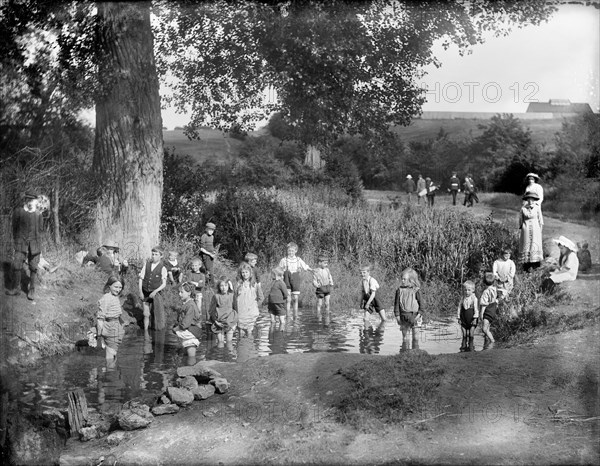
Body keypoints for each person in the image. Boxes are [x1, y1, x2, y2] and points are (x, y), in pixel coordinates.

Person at [5, 192, 44, 300]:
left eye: (33, 201)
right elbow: (14, 228)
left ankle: (31, 290)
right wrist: (17, 240)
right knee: (17, 265)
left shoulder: (38, 214)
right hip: (20, 243)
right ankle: (16, 289)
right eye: (29, 200)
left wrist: (37, 244)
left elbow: (40, 231)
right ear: (25, 201)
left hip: (35, 245)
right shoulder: (18, 212)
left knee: (33, 267)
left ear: (36, 202)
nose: (31, 203)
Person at [96, 275, 128, 360]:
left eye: (120, 287)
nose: (118, 290)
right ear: (109, 286)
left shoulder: (115, 296)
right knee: (111, 354)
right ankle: (110, 371)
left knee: (114, 352)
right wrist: (100, 336)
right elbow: (100, 317)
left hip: (116, 326)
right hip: (110, 328)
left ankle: (111, 370)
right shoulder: (106, 298)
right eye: (116, 287)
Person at [172, 282, 203, 365]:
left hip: (193, 331)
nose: (179, 294)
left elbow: (186, 323)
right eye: (179, 292)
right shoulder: (187, 304)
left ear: (189, 293)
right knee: (186, 354)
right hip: (190, 330)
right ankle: (186, 369)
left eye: (182, 292)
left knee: (191, 356)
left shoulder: (190, 306)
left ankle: (191, 370)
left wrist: (176, 329)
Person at [138, 246, 168, 331]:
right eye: (153, 254)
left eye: (156, 254)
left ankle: (156, 330)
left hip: (156, 293)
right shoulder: (146, 265)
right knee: (145, 314)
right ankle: (146, 331)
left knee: (156, 313)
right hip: (145, 291)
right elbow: (141, 278)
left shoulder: (163, 268)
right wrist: (140, 291)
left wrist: (155, 291)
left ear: (161, 256)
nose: (153, 256)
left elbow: (164, 284)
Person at [279, 242, 312, 316]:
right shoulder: (284, 260)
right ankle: (287, 314)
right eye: (289, 251)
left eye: (292, 251)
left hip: (296, 279)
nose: (291, 252)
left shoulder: (298, 259)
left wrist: (312, 270)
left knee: (296, 298)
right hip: (286, 279)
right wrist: (280, 277)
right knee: (288, 298)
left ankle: (295, 314)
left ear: (295, 251)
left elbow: (305, 266)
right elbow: (279, 270)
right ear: (287, 251)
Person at [393, 267, 423, 348]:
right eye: (401, 279)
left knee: (416, 338)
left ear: (411, 280)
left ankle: (415, 353)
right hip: (403, 316)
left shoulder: (416, 290)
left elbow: (421, 305)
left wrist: (419, 314)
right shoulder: (399, 290)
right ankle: (404, 352)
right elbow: (396, 305)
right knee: (405, 338)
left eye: (404, 279)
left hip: (415, 316)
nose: (402, 281)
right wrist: (397, 316)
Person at [234, 262, 262, 336]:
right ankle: (241, 346)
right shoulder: (238, 284)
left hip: (251, 312)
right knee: (241, 332)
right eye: (243, 272)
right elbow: (234, 297)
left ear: (250, 273)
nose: (245, 274)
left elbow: (261, 297)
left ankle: (249, 346)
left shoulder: (254, 285)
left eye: (246, 272)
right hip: (241, 311)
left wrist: (256, 306)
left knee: (249, 332)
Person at [208, 276, 237, 345]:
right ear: (219, 287)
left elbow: (235, 309)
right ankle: (220, 354)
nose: (224, 288)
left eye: (226, 285)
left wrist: (235, 321)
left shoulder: (232, 296)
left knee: (229, 342)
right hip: (219, 322)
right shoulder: (216, 296)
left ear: (228, 286)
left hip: (230, 321)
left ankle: (229, 354)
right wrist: (215, 321)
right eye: (221, 286)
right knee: (220, 343)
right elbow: (212, 310)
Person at [519, 192, 544, 272]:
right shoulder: (523, 208)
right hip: (526, 228)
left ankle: (535, 264)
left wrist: (540, 230)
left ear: (534, 200)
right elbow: (520, 220)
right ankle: (526, 265)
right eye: (529, 199)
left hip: (535, 228)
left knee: (535, 243)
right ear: (527, 200)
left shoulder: (537, 208)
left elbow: (541, 220)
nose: (531, 201)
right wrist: (521, 227)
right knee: (526, 244)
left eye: (532, 199)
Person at [457, 280, 479, 351]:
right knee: (464, 334)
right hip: (463, 318)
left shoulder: (474, 298)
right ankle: (463, 346)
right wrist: (458, 317)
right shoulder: (462, 298)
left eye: (469, 290)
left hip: (472, 319)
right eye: (465, 290)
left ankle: (471, 346)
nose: (467, 292)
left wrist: (475, 318)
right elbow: (459, 308)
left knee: (471, 334)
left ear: (473, 290)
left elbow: (476, 309)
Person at [479, 273, 498, 344]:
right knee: (487, 327)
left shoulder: (486, 292)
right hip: (493, 309)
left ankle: (492, 341)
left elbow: (484, 304)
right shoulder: (494, 289)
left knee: (484, 329)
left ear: (484, 282)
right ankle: (486, 342)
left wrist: (481, 314)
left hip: (488, 311)